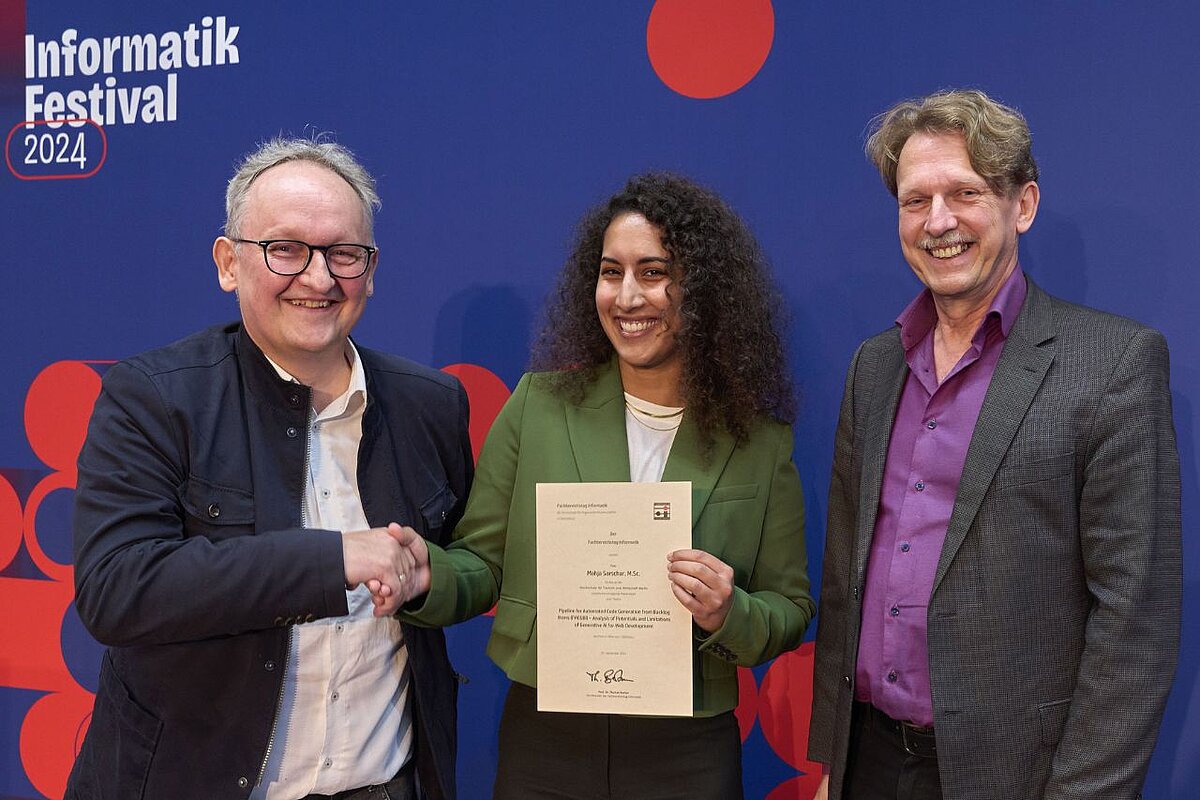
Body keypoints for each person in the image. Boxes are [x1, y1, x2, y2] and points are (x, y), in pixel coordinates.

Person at [68, 138, 473, 800]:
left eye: (344, 254)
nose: (319, 279)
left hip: (385, 784)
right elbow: (120, 590)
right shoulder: (154, 396)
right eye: (286, 250)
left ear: (370, 270)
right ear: (229, 262)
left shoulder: (430, 403)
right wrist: (334, 560)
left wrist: (428, 580)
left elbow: (465, 564)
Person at [807, 89, 1182, 799]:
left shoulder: (1113, 363)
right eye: (915, 200)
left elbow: (1134, 622)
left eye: (965, 193)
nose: (938, 221)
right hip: (870, 760)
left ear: (1024, 205)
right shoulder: (874, 365)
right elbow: (844, 577)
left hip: (1018, 774)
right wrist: (832, 764)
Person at [399, 172, 815, 798]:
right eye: (610, 271)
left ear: (702, 291)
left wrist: (730, 612)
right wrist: (423, 576)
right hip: (546, 738)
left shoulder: (758, 441)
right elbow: (481, 564)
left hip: (688, 748)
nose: (626, 297)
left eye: (653, 272)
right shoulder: (538, 405)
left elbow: (790, 608)